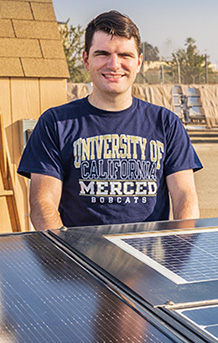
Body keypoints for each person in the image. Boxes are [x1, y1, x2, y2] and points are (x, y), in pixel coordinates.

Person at [18, 10, 202, 230]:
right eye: (102, 53)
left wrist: (178, 250)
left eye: (125, 55)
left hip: (148, 259)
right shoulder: (55, 123)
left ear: (139, 62)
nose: (114, 64)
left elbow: (185, 197)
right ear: (86, 60)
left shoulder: (166, 123)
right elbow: (43, 204)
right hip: (80, 259)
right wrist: (67, 258)